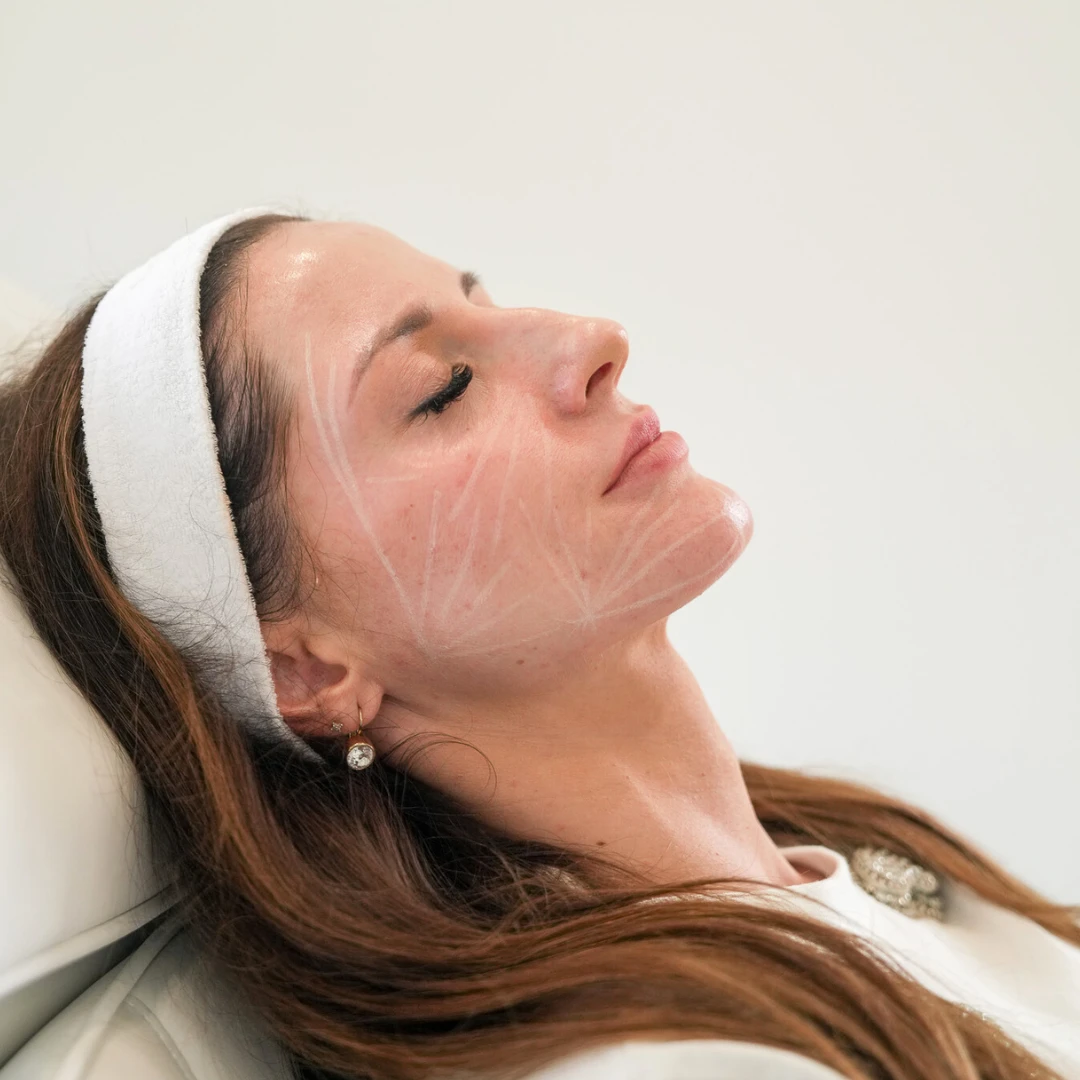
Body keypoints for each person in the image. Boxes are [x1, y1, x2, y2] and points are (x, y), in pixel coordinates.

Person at [0, 207, 1076, 1080]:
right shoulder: (674, 1064)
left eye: (488, 300)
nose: (594, 338)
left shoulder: (840, 849)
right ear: (307, 668)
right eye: (444, 389)